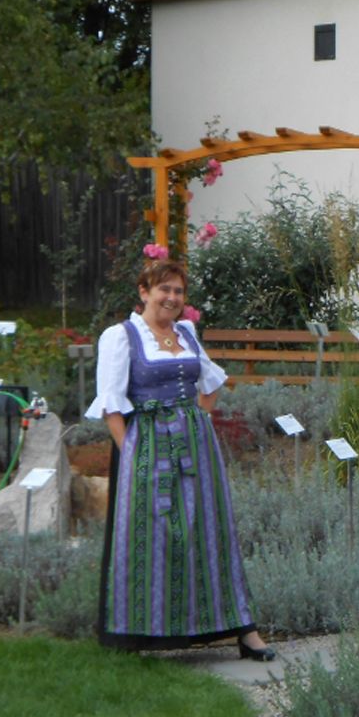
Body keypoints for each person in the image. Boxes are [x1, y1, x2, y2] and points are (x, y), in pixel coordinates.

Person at [86, 258, 276, 660]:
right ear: (144, 292)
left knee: (211, 533)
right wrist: (133, 455)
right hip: (148, 445)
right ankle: (135, 632)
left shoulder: (186, 333)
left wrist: (199, 418)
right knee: (147, 537)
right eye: (164, 289)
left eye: (178, 291)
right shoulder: (121, 337)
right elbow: (111, 405)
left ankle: (243, 630)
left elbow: (211, 381)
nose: (171, 298)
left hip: (196, 446)